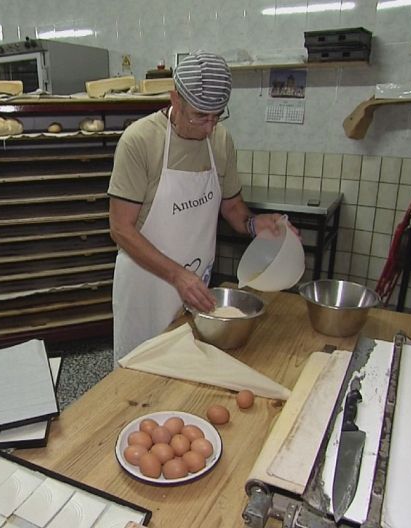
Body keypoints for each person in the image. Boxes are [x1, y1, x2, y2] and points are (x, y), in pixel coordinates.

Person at [108, 51, 293, 364]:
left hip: (197, 286)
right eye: (200, 116)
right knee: (140, 371)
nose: (209, 127)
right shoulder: (141, 141)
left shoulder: (220, 142)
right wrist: (178, 276)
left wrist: (255, 224)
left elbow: (233, 208)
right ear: (175, 99)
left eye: (216, 116)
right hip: (146, 288)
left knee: (188, 368)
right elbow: (120, 229)